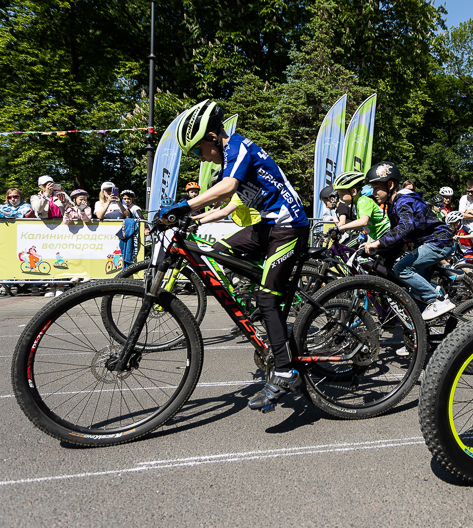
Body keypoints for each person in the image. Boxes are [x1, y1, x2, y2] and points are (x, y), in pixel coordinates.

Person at [161, 99, 309, 413]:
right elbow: (228, 198)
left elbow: (227, 186)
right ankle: (265, 307)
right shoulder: (229, 156)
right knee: (218, 251)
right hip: (265, 225)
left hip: (287, 226)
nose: (200, 157)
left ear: (212, 137)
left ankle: (285, 372)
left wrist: (185, 207)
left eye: (199, 149)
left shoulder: (239, 147)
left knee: (267, 297)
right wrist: (193, 217)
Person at [360, 162, 456, 322]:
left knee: (402, 268)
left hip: (438, 241)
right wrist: (379, 249)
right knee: (414, 299)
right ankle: (419, 342)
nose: (373, 192)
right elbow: (396, 236)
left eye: (376, 187)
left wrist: (376, 244)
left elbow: (405, 227)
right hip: (427, 245)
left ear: (390, 185)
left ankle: (437, 300)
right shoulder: (392, 206)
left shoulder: (403, 201)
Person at [330, 171, 391, 241]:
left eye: (342, 195)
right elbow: (360, 226)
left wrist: (340, 228)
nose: (340, 199)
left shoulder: (363, 201)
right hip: (381, 237)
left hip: (387, 234)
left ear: (353, 191)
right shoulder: (358, 203)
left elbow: (363, 222)